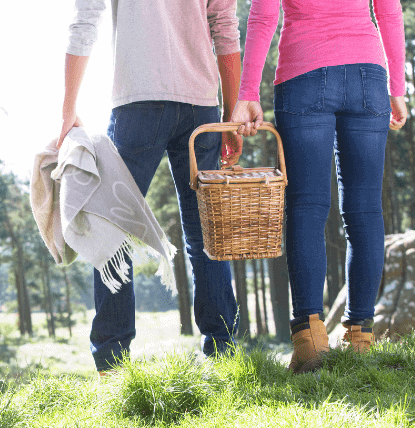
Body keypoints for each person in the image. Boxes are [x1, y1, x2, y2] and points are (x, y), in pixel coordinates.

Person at [58, 0, 244, 371]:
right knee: (205, 232)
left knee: (110, 228)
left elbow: (84, 21)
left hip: (137, 102)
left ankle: (112, 363)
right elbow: (224, 24)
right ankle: (222, 352)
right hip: (201, 105)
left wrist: (67, 111)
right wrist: (231, 110)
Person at [231, 0, 408, 373]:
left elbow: (264, 14)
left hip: (304, 72)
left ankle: (309, 342)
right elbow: (389, 10)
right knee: (365, 209)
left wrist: (247, 93)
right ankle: (359, 337)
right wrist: (396, 87)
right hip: (368, 73)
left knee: (307, 207)